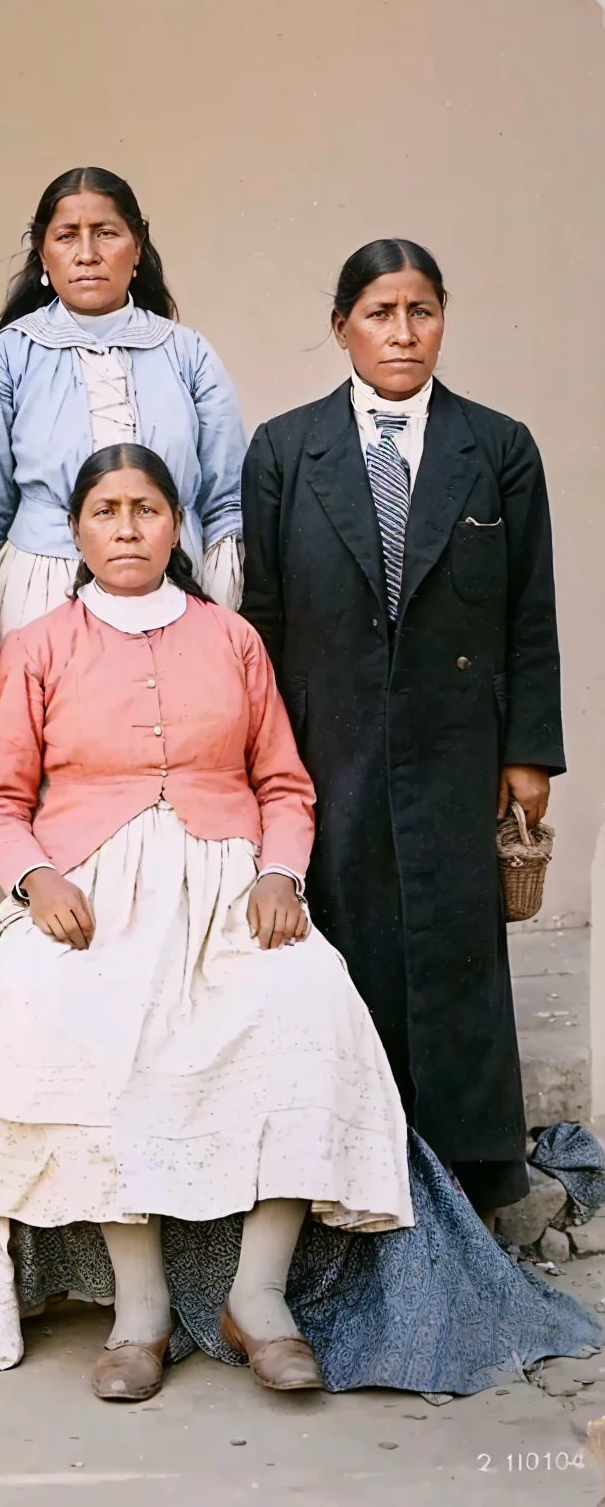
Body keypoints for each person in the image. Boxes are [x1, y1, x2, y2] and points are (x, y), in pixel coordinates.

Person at [0, 443, 415, 1397]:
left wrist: (279, 876)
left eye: (146, 509)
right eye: (106, 510)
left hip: (229, 885)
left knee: (308, 1004)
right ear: (76, 530)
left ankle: (257, 1295)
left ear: (175, 525)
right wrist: (35, 882)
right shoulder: (41, 647)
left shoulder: (231, 638)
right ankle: (139, 1311)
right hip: (90, 895)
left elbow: (283, 784)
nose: (128, 528)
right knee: (75, 1020)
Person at [240, 239, 564, 1229]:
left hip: (456, 745)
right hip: (328, 742)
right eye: (379, 312)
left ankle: (476, 1173)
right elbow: (260, 619)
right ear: (341, 325)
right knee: (354, 941)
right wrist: (268, 764)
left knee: (458, 943)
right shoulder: (286, 452)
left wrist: (525, 756)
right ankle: (361, 1171)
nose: (401, 332)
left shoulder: (494, 447)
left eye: (420, 310)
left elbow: (528, 614)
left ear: (441, 321)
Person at [0, 167, 247, 637]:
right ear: (43, 254)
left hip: (175, 584)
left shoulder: (187, 352)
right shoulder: (11, 356)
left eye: (106, 233)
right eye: (67, 236)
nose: (87, 255)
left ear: (137, 245)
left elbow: (225, 499)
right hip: (43, 586)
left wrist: (216, 612)